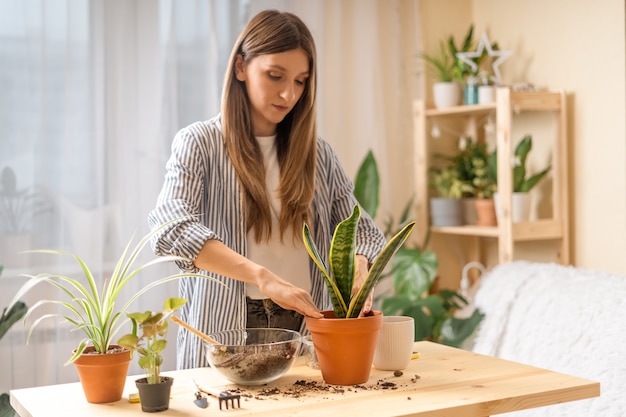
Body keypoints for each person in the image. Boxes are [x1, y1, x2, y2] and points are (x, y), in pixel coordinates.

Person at [148, 9, 386, 370]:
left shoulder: (318, 154)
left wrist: (358, 263)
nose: (289, 93)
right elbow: (171, 229)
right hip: (228, 325)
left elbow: (363, 230)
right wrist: (263, 277)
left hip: (307, 327)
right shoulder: (200, 143)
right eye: (275, 76)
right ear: (241, 68)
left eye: (301, 81)